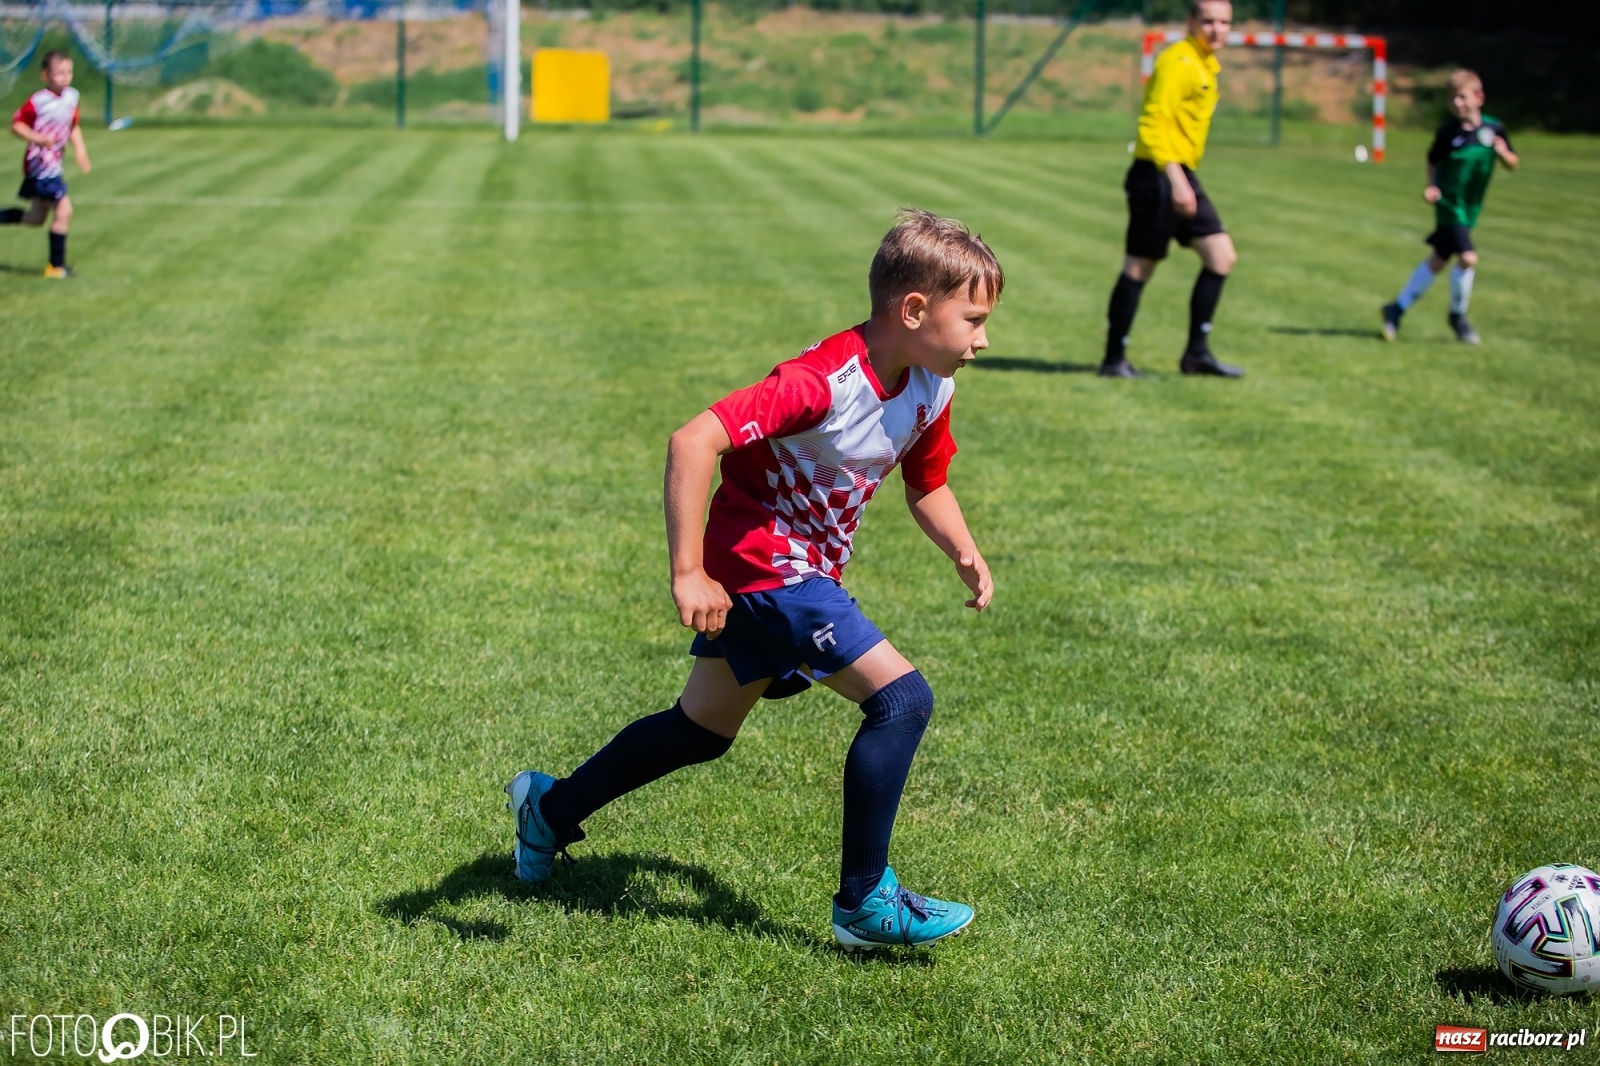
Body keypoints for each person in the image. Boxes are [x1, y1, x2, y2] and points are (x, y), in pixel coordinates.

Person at [506, 208, 1002, 950]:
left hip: (800, 573)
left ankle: (547, 810)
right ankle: (866, 902)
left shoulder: (931, 385)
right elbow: (693, 438)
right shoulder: (821, 383)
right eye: (974, 319)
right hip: (764, 567)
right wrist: (687, 570)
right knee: (902, 700)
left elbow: (926, 484)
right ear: (914, 310)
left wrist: (963, 549)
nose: (983, 340)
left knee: (699, 731)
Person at [1100, 0, 1242, 379]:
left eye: (1224, 22)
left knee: (1221, 256)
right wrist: (1176, 180)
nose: (1217, 29)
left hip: (1181, 174)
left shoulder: (1204, 62)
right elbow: (1153, 122)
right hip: (1159, 174)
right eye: (1209, 21)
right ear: (1191, 21)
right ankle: (1114, 360)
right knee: (1139, 266)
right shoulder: (1178, 61)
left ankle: (1197, 354)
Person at [1381, 69, 1518, 345]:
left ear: (1479, 98)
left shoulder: (1494, 129)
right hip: (1449, 205)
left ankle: (1396, 309)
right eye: (1452, 99)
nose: (1457, 104)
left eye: (1462, 97)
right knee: (1467, 257)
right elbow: (1432, 160)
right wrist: (1433, 185)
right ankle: (1458, 317)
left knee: (1439, 259)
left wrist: (1503, 154)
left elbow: (1513, 163)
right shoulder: (1447, 134)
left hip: (1471, 208)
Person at [1, 51, 90, 278]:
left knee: (36, 218)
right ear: (45, 75)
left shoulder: (72, 97)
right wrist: (39, 139)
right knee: (64, 210)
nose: (65, 77)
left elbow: (73, 126)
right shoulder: (38, 101)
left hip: (54, 165)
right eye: (59, 73)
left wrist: (80, 150)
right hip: (40, 166)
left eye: (68, 72)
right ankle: (56, 267)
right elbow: (16, 125)